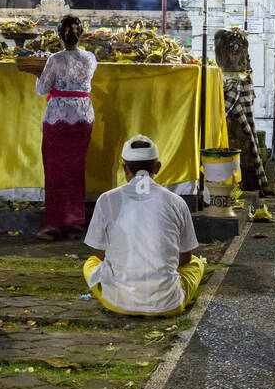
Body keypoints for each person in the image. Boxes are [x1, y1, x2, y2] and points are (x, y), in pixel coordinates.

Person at [83, 135, 206, 317]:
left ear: (125, 168)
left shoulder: (106, 199)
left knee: (91, 263)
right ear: (157, 167)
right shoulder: (176, 202)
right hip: (167, 304)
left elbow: (97, 249)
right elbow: (185, 258)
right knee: (196, 263)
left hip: (117, 302)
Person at [24, 14, 97, 242]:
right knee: (75, 169)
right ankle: (74, 223)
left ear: (59, 35)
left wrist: (38, 74)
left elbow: (42, 90)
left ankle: (55, 223)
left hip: (58, 116)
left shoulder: (55, 59)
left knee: (55, 171)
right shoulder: (90, 58)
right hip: (83, 114)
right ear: (81, 34)